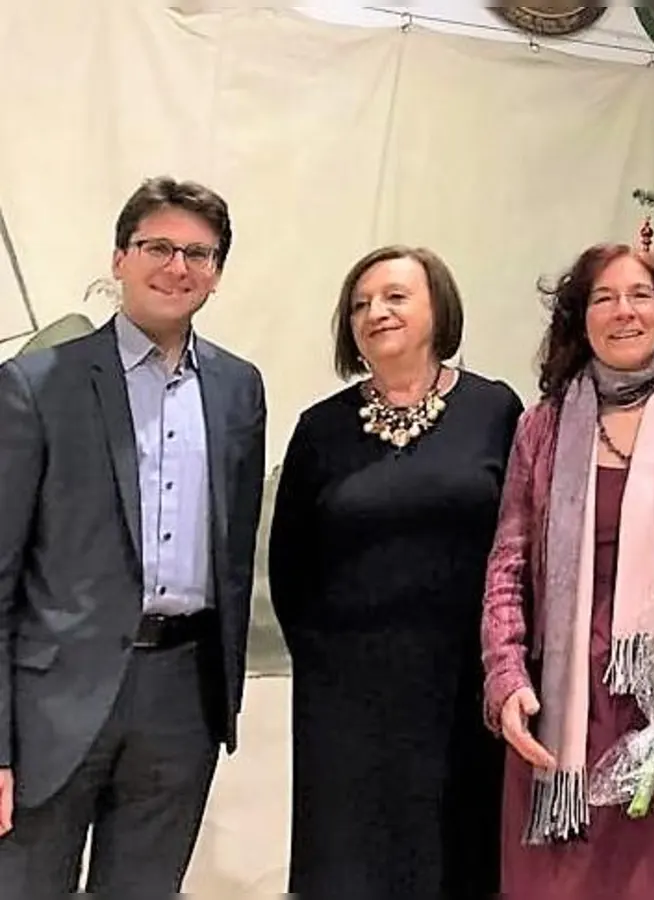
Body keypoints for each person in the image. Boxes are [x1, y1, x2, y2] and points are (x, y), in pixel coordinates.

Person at [0, 177, 267, 893]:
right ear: (119, 258)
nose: (177, 267)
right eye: (158, 247)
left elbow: (235, 557)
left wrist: (219, 699)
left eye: (198, 253)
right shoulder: (35, 385)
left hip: (182, 698)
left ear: (216, 274)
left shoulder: (239, 388)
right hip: (51, 703)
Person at [480, 242, 654, 899]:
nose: (623, 311)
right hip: (566, 718)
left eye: (639, 296)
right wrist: (506, 678)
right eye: (604, 298)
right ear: (580, 319)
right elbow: (508, 565)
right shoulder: (541, 430)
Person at [267, 246, 519, 896]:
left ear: (439, 307)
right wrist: (330, 665)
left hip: (466, 690)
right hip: (349, 703)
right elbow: (289, 567)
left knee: (459, 862)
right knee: (353, 870)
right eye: (359, 304)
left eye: (395, 296)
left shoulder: (496, 411)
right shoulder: (320, 430)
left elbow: (523, 543)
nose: (375, 312)